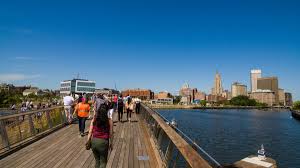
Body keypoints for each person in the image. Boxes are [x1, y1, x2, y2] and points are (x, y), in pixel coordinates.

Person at [87, 94, 113, 168]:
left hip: (94, 141)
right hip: (104, 142)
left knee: (97, 161)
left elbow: (90, 132)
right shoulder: (109, 120)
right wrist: (111, 143)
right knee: (103, 162)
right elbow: (111, 134)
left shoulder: (94, 119)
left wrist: (88, 140)